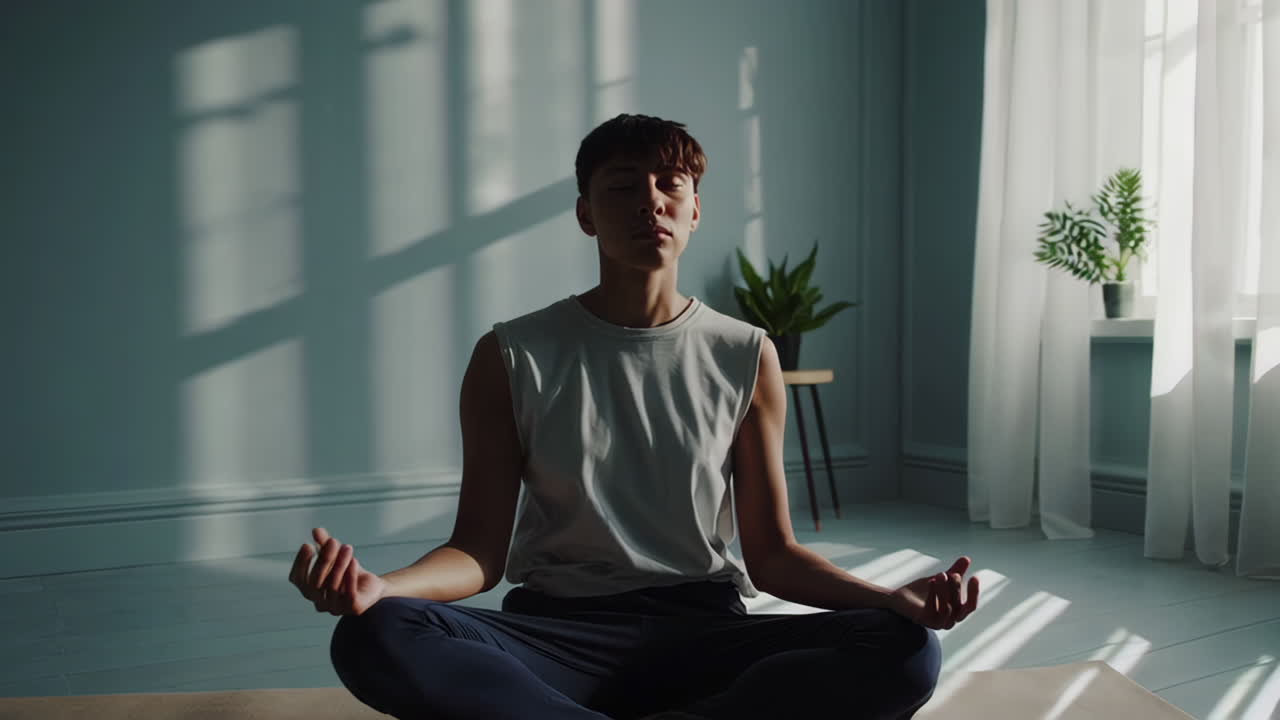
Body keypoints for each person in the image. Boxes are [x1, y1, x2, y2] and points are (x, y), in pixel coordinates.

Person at [288, 113, 980, 719]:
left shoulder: (747, 354)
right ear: (587, 212)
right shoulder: (512, 354)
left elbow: (772, 558)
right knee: (373, 634)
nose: (650, 200)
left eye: (669, 183)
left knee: (906, 647)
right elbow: (477, 554)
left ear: (695, 209)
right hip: (556, 637)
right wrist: (380, 588)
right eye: (623, 186)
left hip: (703, 634)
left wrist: (892, 598)